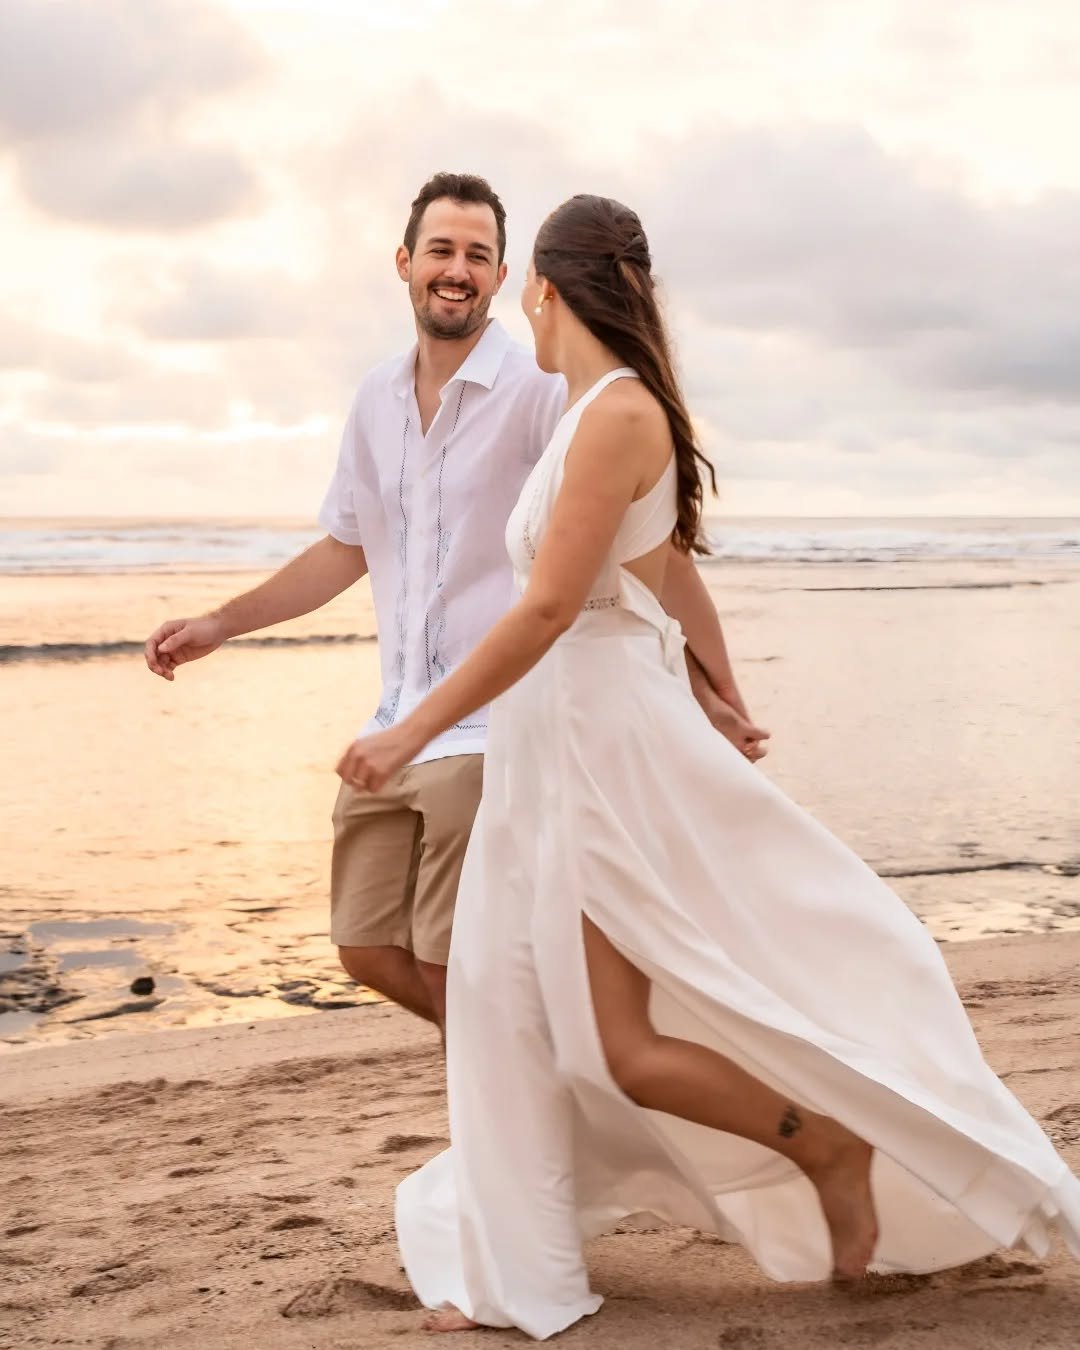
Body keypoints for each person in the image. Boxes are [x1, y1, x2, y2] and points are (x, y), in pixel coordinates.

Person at [338, 194, 1080, 1339]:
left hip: (592, 748)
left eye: (509, 279)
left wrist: (407, 729)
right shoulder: (596, 409)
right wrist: (721, 690)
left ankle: (823, 1141)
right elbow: (673, 570)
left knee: (611, 1037)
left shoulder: (615, 417)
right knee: (524, 1014)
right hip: (557, 744)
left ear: (540, 288)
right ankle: (521, 1270)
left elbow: (547, 609)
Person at [144, 173, 767, 1034]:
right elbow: (348, 547)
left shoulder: (547, 394)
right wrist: (221, 623)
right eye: (441, 249)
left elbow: (650, 555)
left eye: (479, 255)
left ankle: (547, 1114)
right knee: (364, 949)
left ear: (506, 277)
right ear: (405, 262)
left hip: (491, 733)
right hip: (394, 721)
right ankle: (553, 1083)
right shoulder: (375, 399)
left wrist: (714, 694)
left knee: (457, 968)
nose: (457, 269)